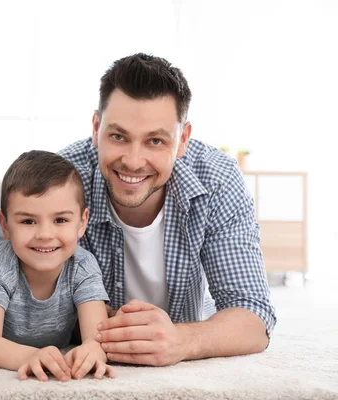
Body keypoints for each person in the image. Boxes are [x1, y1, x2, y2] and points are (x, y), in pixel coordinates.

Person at [59, 53, 276, 366]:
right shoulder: (63, 179)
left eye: (156, 141)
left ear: (183, 139)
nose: (133, 161)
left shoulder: (218, 179)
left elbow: (253, 315)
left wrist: (182, 340)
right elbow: (27, 301)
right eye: (118, 136)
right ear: (96, 127)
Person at [0, 151, 114, 381]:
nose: (45, 235)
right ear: (5, 225)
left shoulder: (83, 265)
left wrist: (92, 351)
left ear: (82, 223)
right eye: (28, 221)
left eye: (60, 220)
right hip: (14, 350)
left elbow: (97, 337)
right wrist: (32, 356)